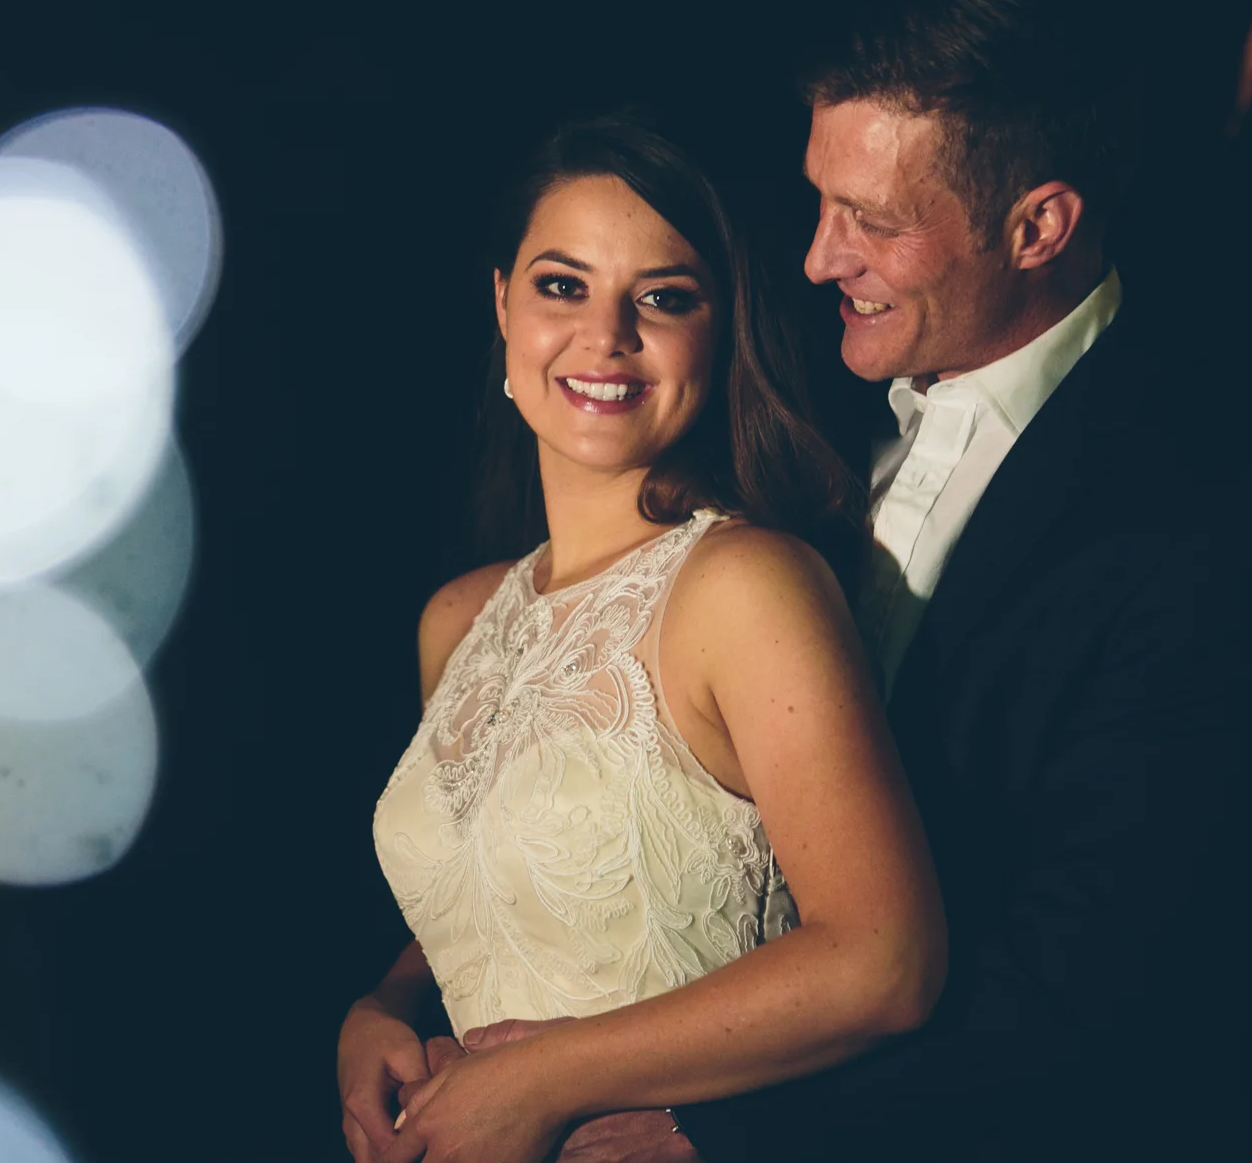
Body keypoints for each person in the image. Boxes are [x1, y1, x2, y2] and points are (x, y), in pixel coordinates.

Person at [455, 0, 1252, 1161]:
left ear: (1037, 226)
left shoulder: (1217, 518)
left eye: (871, 223)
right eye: (820, 202)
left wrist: (706, 1131)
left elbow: (1089, 983)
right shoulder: (794, 396)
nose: (820, 259)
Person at [337, 116, 949, 1163]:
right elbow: (507, 888)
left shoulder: (745, 588)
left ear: (720, 330)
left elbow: (882, 961)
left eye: (662, 298)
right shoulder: (457, 619)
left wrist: (538, 1081)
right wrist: (380, 1008)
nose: (604, 337)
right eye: (561, 285)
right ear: (500, 305)